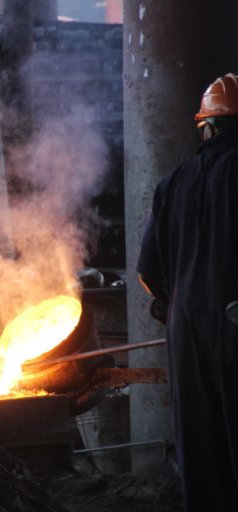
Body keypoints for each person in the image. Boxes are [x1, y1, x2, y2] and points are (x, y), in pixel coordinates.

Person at [137, 72, 238, 511]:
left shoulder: (171, 181)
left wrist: (177, 307)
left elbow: (148, 274)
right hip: (233, 325)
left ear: (207, 126)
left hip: (185, 329)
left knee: (200, 448)